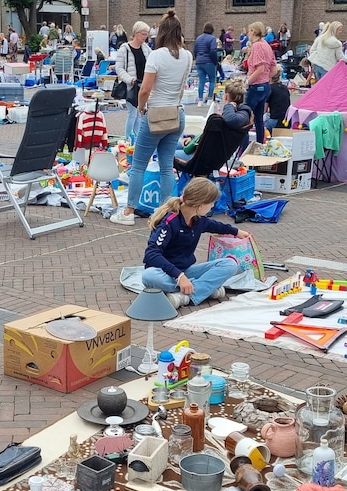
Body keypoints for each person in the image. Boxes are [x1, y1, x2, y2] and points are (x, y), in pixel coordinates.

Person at [113, 11, 190, 227]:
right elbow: (182, 86)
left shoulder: (156, 55)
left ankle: (128, 211)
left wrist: (140, 107)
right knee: (167, 166)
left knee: (138, 165)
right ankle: (166, 213)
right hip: (176, 113)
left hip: (156, 113)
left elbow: (145, 89)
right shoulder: (187, 55)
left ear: (161, 32)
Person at [141, 177, 249, 309]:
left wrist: (236, 231)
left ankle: (187, 294)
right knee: (149, 276)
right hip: (166, 273)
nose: (212, 206)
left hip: (186, 271)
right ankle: (203, 290)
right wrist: (179, 276)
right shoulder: (169, 222)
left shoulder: (198, 219)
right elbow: (151, 255)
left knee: (230, 264)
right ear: (200, 205)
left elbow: (216, 226)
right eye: (211, 203)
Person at [177, 78, 252, 164]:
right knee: (169, 145)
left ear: (226, 96)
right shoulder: (238, 114)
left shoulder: (239, 115)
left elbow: (231, 120)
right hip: (205, 151)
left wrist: (229, 105)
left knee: (165, 153)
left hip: (204, 157)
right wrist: (193, 138)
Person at [113, 21, 151, 142]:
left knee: (140, 114)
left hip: (143, 85)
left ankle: (136, 140)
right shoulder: (125, 48)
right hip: (132, 86)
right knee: (132, 113)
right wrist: (129, 79)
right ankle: (127, 139)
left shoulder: (146, 49)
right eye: (143, 34)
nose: (145, 37)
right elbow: (118, 68)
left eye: (146, 34)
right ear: (136, 33)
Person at [243, 21, 275, 144]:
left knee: (245, 117)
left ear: (254, 32)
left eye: (249, 31)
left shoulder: (256, 46)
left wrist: (247, 81)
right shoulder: (267, 45)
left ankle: (244, 148)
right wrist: (266, 79)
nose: (248, 34)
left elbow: (260, 68)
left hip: (255, 86)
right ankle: (260, 144)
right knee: (259, 120)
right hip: (265, 86)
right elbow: (273, 68)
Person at [194, 22, 218, 105]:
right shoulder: (212, 38)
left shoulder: (198, 38)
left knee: (201, 81)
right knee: (212, 80)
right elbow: (213, 51)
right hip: (209, 62)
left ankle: (200, 100)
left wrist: (197, 58)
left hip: (199, 61)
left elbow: (195, 50)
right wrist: (215, 61)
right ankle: (210, 100)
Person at [265, 66, 291, 131]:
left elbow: (264, 110)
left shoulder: (269, 89)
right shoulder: (285, 88)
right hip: (286, 121)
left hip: (275, 120)